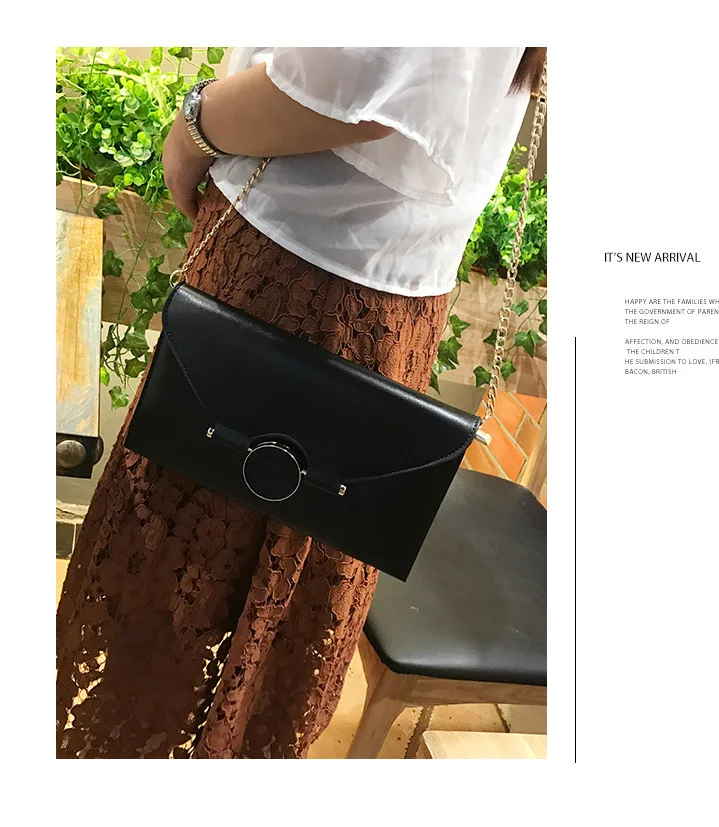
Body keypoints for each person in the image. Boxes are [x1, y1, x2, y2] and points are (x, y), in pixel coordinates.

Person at [56, 46, 546, 759]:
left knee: (165, 596)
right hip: (388, 300)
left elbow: (361, 79)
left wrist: (192, 127)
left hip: (287, 278)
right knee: (269, 609)